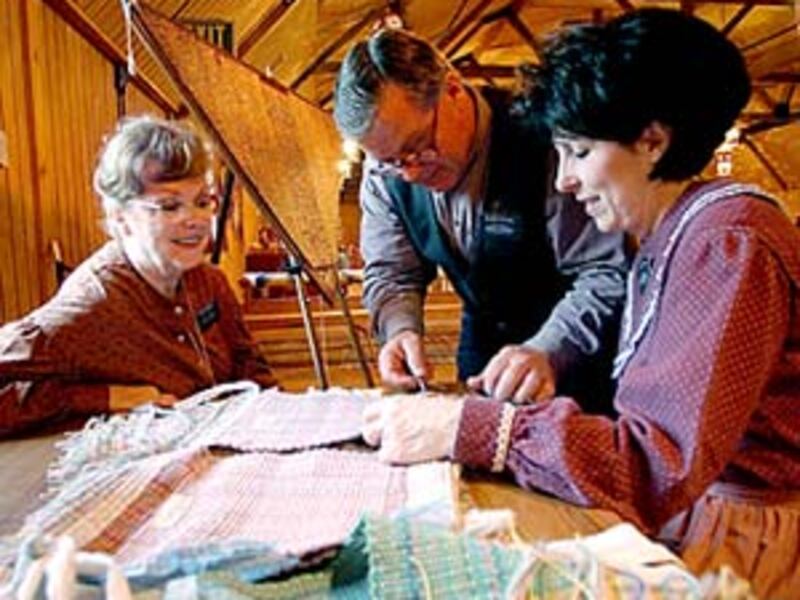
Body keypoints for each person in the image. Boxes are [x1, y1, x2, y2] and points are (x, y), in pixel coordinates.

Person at [362, 9, 800, 597]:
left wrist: (476, 427)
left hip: (741, 534)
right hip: (701, 510)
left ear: (652, 141)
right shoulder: (675, 237)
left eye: (578, 152)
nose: (564, 180)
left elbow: (655, 464)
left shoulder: (726, 242)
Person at [333, 28, 629, 404]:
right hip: (483, 348)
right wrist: (399, 329)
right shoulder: (385, 175)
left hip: (578, 356)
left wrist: (549, 348)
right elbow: (393, 270)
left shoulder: (545, 142)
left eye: (419, 148)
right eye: (390, 162)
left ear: (452, 89)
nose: (409, 174)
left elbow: (605, 271)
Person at [0, 115, 277, 436]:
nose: (196, 220)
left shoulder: (208, 281)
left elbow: (251, 369)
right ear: (120, 218)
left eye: (202, 202)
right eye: (170, 206)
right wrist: (102, 397)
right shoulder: (93, 303)